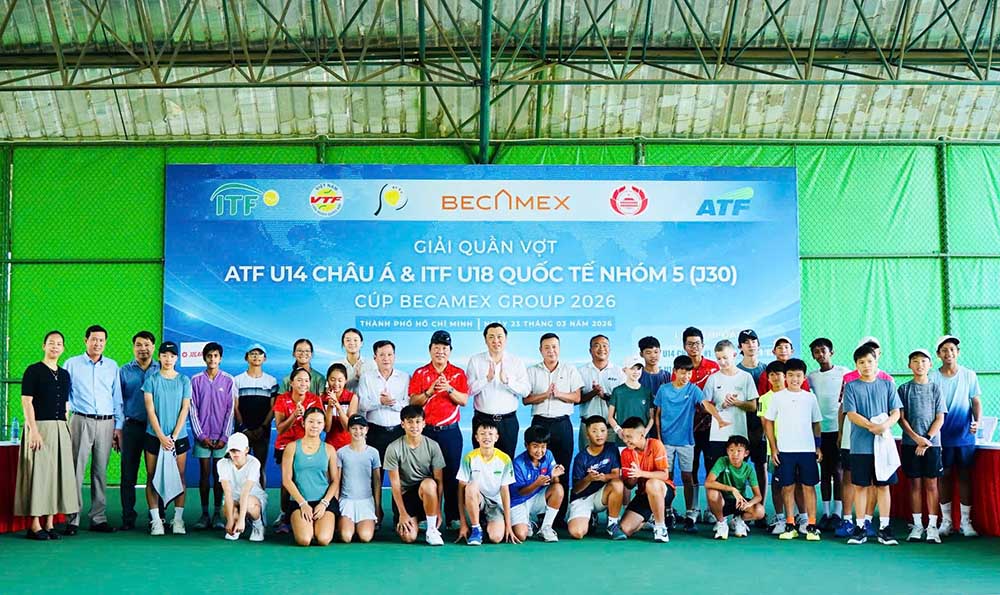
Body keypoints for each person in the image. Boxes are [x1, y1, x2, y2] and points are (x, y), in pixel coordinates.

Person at [15, 330, 81, 540]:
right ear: (44, 346)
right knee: (40, 477)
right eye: (51, 343)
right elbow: (27, 402)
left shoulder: (64, 374)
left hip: (60, 427)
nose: (55, 346)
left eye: (59, 343)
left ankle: (50, 523)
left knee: (56, 476)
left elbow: (66, 404)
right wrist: (33, 431)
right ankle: (34, 525)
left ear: (63, 348)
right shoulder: (33, 371)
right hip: (39, 428)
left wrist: (65, 426)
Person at [63, 324, 123, 535]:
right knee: (76, 470)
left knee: (100, 470)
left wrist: (118, 427)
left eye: (101, 340)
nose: (98, 343)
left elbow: (117, 398)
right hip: (81, 420)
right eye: (94, 339)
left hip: (106, 423)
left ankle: (98, 518)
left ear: (105, 342)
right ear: (85, 340)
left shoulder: (112, 366)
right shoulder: (72, 364)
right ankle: (72, 518)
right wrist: (66, 418)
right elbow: (65, 394)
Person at [409, 330, 469, 529]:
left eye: (444, 348)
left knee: (451, 474)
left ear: (450, 351)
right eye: (436, 348)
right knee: (425, 475)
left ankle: (452, 516)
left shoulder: (458, 373)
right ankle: (426, 515)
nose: (440, 352)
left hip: (450, 432)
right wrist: (429, 391)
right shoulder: (420, 373)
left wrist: (449, 388)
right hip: (426, 432)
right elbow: (413, 402)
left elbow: (464, 400)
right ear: (430, 350)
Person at [834, 337, 894, 539]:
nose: (866, 365)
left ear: (876, 361)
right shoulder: (851, 386)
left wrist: (884, 426)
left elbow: (896, 412)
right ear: (856, 365)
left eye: (869, 361)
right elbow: (850, 413)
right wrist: (871, 426)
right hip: (859, 446)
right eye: (861, 362)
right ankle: (859, 527)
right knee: (860, 485)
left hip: (882, 446)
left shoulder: (887, 384)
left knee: (882, 486)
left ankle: (884, 528)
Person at [763, 358, 823, 541]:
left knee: (808, 487)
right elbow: (768, 422)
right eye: (790, 375)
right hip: (785, 451)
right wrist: (774, 449)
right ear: (785, 377)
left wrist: (818, 446)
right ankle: (790, 524)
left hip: (807, 450)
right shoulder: (777, 397)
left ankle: (811, 525)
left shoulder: (810, 397)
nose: (794, 379)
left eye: (798, 375)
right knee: (787, 487)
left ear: (804, 377)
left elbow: (816, 423)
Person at [525, 332, 581, 524]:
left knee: (561, 468)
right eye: (547, 347)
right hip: (540, 423)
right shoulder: (532, 371)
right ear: (541, 350)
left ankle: (558, 517)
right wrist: (544, 395)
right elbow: (526, 399)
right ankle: (539, 513)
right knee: (539, 469)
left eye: (554, 347)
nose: (551, 350)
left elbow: (577, 397)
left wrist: (558, 394)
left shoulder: (570, 369)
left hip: (562, 424)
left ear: (559, 348)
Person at [930, 335, 982, 537]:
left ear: (958, 352)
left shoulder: (969, 375)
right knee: (943, 477)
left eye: (952, 349)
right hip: (941, 438)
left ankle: (966, 523)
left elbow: (976, 401)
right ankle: (947, 522)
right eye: (944, 350)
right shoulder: (933, 377)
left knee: (965, 477)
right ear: (938, 355)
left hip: (965, 437)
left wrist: (976, 420)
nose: (948, 353)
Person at [142, 341, 192, 536]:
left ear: (176, 358)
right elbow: (150, 409)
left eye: (172, 356)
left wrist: (173, 436)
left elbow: (185, 408)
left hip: (178, 438)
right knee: (152, 476)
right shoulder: (151, 380)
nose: (168, 359)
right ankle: (156, 520)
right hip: (154, 436)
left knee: (179, 477)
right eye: (164, 355)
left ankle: (178, 520)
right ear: (160, 357)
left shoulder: (184, 381)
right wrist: (162, 436)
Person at [898, 348, 946, 544]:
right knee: (915, 485)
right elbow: (901, 419)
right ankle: (917, 525)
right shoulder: (903, 389)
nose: (920, 365)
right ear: (909, 365)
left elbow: (940, 418)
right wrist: (916, 438)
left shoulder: (936, 388)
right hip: (911, 445)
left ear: (930, 365)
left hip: (932, 446)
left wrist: (926, 439)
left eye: (924, 361)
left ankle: (932, 527)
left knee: (932, 485)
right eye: (915, 361)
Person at [189, 342, 237, 530]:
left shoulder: (228, 380)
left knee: (220, 476)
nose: (212, 359)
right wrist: (201, 436)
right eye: (209, 356)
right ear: (204, 358)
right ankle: (204, 514)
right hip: (203, 438)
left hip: (221, 439)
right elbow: (192, 409)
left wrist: (225, 437)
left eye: (216, 356)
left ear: (220, 358)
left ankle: (217, 513)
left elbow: (230, 411)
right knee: (204, 475)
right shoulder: (195, 380)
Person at [654, 354, 703, 532]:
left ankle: (690, 513)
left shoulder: (694, 390)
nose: (686, 376)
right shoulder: (663, 390)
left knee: (687, 477)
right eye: (683, 372)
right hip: (666, 442)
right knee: (666, 478)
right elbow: (657, 415)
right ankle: (667, 511)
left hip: (687, 442)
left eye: (689, 373)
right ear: (675, 371)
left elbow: (705, 403)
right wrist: (659, 438)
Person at [272, 367, 325, 533]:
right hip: (285, 445)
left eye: (306, 381)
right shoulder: (282, 399)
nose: (303, 384)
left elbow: (320, 424)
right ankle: (283, 515)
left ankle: (310, 511)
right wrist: (294, 415)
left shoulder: (315, 399)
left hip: (307, 446)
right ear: (292, 383)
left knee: (304, 479)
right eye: (299, 380)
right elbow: (280, 429)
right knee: (286, 481)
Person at [466, 322, 531, 456]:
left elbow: (526, 390)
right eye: (491, 337)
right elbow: (468, 390)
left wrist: (508, 382)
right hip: (482, 420)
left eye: (499, 336)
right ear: (485, 340)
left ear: (505, 339)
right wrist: (486, 380)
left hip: (508, 421)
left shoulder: (516, 361)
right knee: (480, 461)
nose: (496, 340)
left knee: (506, 461)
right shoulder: (476, 360)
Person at [384, 405, 446, 545]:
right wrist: (402, 513)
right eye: (410, 422)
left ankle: (431, 530)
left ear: (424, 423)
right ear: (403, 424)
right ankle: (417, 520)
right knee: (409, 537)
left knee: (430, 484)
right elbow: (395, 484)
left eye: (418, 422)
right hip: (405, 495)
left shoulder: (433, 446)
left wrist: (438, 511)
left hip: (425, 492)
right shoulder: (393, 448)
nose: (414, 426)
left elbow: (439, 481)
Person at [674, 326, 719, 520]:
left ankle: (711, 508)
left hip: (710, 428)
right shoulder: (678, 370)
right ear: (684, 346)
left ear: (703, 345)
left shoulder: (713, 367)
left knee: (711, 468)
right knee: (690, 469)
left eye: (698, 344)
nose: (694, 347)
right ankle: (694, 509)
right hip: (687, 429)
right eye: (690, 344)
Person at [807, 337, 850, 530]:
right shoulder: (811, 377)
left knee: (838, 472)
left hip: (839, 430)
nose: (820, 354)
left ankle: (837, 513)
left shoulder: (844, 373)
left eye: (823, 350)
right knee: (824, 472)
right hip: (820, 431)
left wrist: (843, 430)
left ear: (831, 352)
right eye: (816, 351)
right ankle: (824, 513)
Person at [118, 330, 159, 530]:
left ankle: (157, 516)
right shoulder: (124, 371)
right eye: (139, 345)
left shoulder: (161, 369)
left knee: (156, 473)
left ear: (153, 347)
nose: (143, 348)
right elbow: (117, 402)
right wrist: (118, 429)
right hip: (132, 427)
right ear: (134, 347)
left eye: (147, 344)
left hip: (155, 430)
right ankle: (128, 516)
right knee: (128, 473)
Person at [281, 408, 339, 547]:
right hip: (300, 502)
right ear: (303, 423)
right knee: (305, 540)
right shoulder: (292, 447)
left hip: (322, 502)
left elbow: (335, 481)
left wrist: (324, 503)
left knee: (323, 539)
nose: (314, 425)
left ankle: (322, 524)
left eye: (319, 422)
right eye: (311, 421)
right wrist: (302, 504)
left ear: (324, 425)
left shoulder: (329, 449)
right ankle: (300, 524)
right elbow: (287, 480)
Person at [701, 340, 758, 474]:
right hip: (718, 436)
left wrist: (736, 402)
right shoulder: (713, 378)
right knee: (717, 477)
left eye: (725, 358)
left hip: (739, 436)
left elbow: (753, 406)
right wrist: (721, 406)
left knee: (737, 478)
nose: (722, 362)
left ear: (734, 355)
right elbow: (704, 406)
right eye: (719, 358)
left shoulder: (746, 377)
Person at [457, 421, 518, 546]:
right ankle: (476, 529)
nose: (486, 437)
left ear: (496, 437)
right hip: (476, 501)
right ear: (476, 437)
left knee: (496, 538)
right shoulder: (469, 458)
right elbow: (461, 490)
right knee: (471, 486)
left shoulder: (505, 459)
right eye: (482, 433)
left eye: (490, 434)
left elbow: (505, 491)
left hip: (495, 504)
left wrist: (508, 525)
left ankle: (485, 523)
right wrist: (463, 523)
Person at [568, 416, 625, 540]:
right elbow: (576, 490)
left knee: (618, 484)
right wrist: (588, 479)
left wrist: (604, 477)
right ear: (587, 435)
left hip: (601, 495)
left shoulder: (612, 449)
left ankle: (612, 524)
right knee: (577, 533)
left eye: (603, 431)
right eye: (594, 431)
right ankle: (590, 516)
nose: (599, 435)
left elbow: (616, 474)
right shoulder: (581, 458)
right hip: (582, 498)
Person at [618, 417, 674, 542]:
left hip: (663, 490)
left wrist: (640, 473)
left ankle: (661, 527)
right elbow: (630, 485)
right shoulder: (626, 453)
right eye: (624, 436)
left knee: (652, 484)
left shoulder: (656, 445)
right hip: (643, 494)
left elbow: (664, 475)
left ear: (642, 434)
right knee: (625, 529)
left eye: (629, 437)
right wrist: (632, 477)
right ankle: (649, 516)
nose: (626, 440)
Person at [358, 339, 409, 466]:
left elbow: (408, 404)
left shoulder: (404, 377)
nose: (386, 358)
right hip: (375, 432)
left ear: (394, 357)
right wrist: (379, 402)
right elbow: (362, 405)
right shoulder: (366, 377)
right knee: (375, 473)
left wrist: (392, 403)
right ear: (375, 358)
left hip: (398, 431)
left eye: (389, 355)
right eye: (381, 355)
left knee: (401, 472)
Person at [509, 425, 565, 542]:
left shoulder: (548, 455)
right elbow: (519, 493)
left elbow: (555, 484)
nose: (540, 451)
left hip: (538, 497)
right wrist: (536, 484)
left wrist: (555, 477)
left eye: (543, 446)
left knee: (558, 489)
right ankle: (528, 522)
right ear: (526, 445)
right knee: (521, 535)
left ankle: (546, 527)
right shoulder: (518, 464)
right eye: (535, 446)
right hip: (519, 501)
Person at [233, 344, 278, 486]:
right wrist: (243, 428)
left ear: (264, 358)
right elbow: (235, 407)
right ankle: (240, 505)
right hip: (242, 431)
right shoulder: (237, 380)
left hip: (262, 432)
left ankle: (260, 504)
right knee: (239, 469)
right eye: (252, 353)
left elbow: (273, 408)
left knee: (260, 468)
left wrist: (263, 427)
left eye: (260, 354)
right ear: (246, 357)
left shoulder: (271, 381)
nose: (256, 356)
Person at [704, 435, 765, 540]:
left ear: (746, 453)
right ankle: (721, 522)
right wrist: (732, 489)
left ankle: (739, 520)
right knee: (712, 492)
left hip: (739, 503)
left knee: (760, 511)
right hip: (722, 501)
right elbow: (708, 483)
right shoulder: (722, 461)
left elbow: (758, 496)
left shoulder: (748, 469)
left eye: (739, 451)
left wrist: (748, 504)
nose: (735, 454)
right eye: (731, 450)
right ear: (727, 451)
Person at [736, 329, 768, 527]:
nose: (750, 344)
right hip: (740, 426)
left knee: (760, 466)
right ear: (740, 347)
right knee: (738, 467)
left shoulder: (767, 370)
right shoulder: (736, 370)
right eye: (745, 342)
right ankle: (739, 510)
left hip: (762, 428)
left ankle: (760, 509)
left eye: (753, 341)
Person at [335, 414, 382, 543]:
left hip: (366, 501)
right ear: (348, 430)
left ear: (366, 430)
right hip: (346, 501)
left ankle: (363, 524)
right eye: (354, 428)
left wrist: (377, 506)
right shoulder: (341, 453)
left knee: (365, 537)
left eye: (361, 428)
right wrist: (335, 506)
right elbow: (337, 481)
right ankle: (347, 524)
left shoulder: (373, 453)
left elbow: (377, 482)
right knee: (346, 537)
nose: (358, 431)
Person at [757, 361, 791, 534]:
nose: (776, 377)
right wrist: (774, 448)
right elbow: (765, 426)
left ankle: (799, 517)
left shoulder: (796, 395)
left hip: (795, 449)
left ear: (785, 376)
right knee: (777, 485)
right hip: (775, 451)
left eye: (779, 374)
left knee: (796, 485)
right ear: (768, 378)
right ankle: (780, 518)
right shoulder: (763, 400)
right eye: (772, 375)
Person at [216, 432, 267, 542]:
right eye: (232, 450)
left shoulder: (254, 463)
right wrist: (230, 520)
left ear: (246, 450)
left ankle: (258, 525)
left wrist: (241, 520)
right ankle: (235, 525)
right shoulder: (222, 464)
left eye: (238, 450)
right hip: (233, 498)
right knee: (227, 510)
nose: (234, 453)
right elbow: (227, 492)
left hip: (252, 497)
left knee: (249, 504)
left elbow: (245, 492)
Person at [577, 335, 622, 448]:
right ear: (590, 350)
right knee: (586, 462)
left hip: (611, 427)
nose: (601, 349)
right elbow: (574, 400)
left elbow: (623, 401)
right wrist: (593, 393)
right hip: (588, 428)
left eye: (605, 345)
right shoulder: (580, 372)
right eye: (596, 346)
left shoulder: (619, 372)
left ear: (609, 349)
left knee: (612, 462)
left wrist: (605, 396)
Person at [608, 356, 654, 448]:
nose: (636, 372)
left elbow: (651, 418)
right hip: (623, 442)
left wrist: (645, 432)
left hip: (642, 442)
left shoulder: (646, 392)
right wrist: (619, 431)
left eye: (639, 368)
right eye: (632, 368)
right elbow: (610, 417)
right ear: (624, 370)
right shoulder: (618, 391)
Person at [323, 363, 358, 450]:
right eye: (332, 379)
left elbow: (348, 428)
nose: (336, 383)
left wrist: (337, 406)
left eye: (340, 380)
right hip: (329, 445)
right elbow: (327, 428)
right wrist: (330, 408)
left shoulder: (352, 397)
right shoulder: (322, 398)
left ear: (345, 380)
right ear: (327, 379)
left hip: (348, 445)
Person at [337, 327, 376, 393]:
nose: (352, 343)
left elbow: (376, 388)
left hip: (365, 403)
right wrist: (354, 379)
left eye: (355, 340)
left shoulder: (371, 364)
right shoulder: (336, 364)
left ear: (361, 343)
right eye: (348, 340)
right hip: (343, 402)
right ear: (343, 344)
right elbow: (331, 388)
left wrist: (362, 379)